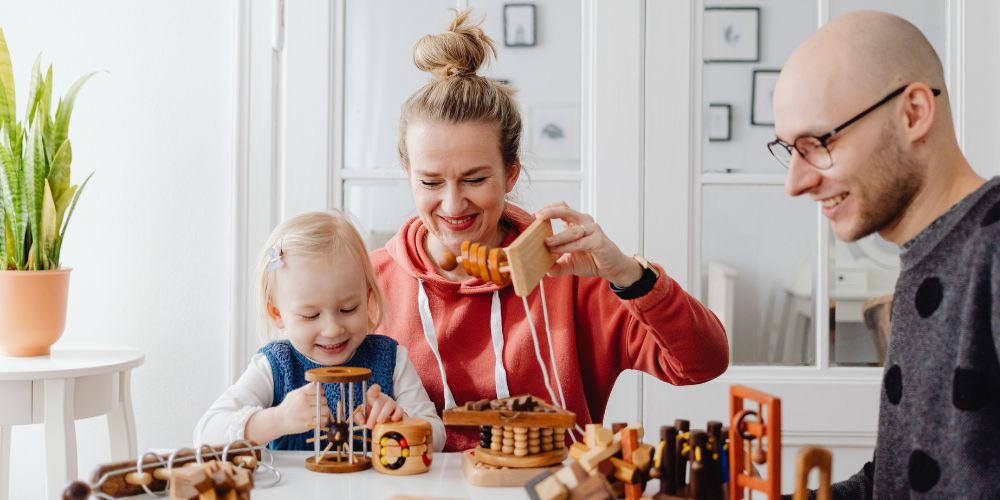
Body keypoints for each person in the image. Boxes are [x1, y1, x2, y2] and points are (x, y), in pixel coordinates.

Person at [369, 10, 730, 452]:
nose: (452, 204)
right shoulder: (370, 283)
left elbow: (702, 363)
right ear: (408, 173)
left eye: (476, 179)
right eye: (430, 182)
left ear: (511, 174)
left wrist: (627, 274)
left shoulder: (570, 276)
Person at [771, 10, 1000, 498]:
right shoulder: (925, 260)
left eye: (817, 143)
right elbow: (899, 482)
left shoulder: (994, 247)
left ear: (913, 113)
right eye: (788, 149)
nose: (795, 183)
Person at [195, 211, 444, 451]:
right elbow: (206, 435)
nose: (333, 329)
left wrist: (401, 425)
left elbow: (438, 436)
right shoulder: (275, 367)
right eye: (310, 315)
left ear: (367, 299)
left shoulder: (391, 359)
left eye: (348, 309)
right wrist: (278, 420)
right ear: (277, 313)